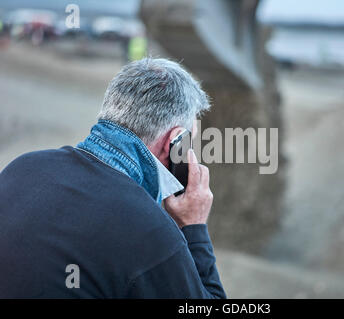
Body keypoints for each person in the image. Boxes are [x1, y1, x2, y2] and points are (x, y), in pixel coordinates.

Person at [0, 58, 226, 299]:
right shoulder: (150, 230)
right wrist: (194, 227)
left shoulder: (23, 167)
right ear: (176, 142)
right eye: (189, 144)